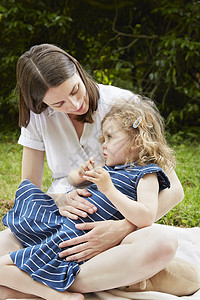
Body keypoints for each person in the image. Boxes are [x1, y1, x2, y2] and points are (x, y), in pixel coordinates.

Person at [0, 43, 184, 299]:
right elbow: (29, 186)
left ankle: (36, 285)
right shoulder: (39, 117)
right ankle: (93, 282)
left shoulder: (124, 105)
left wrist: (122, 228)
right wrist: (61, 199)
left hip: (116, 226)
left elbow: (175, 191)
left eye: (75, 90)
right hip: (57, 224)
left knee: (161, 244)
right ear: (41, 102)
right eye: (59, 102)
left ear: (77, 67)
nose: (75, 104)